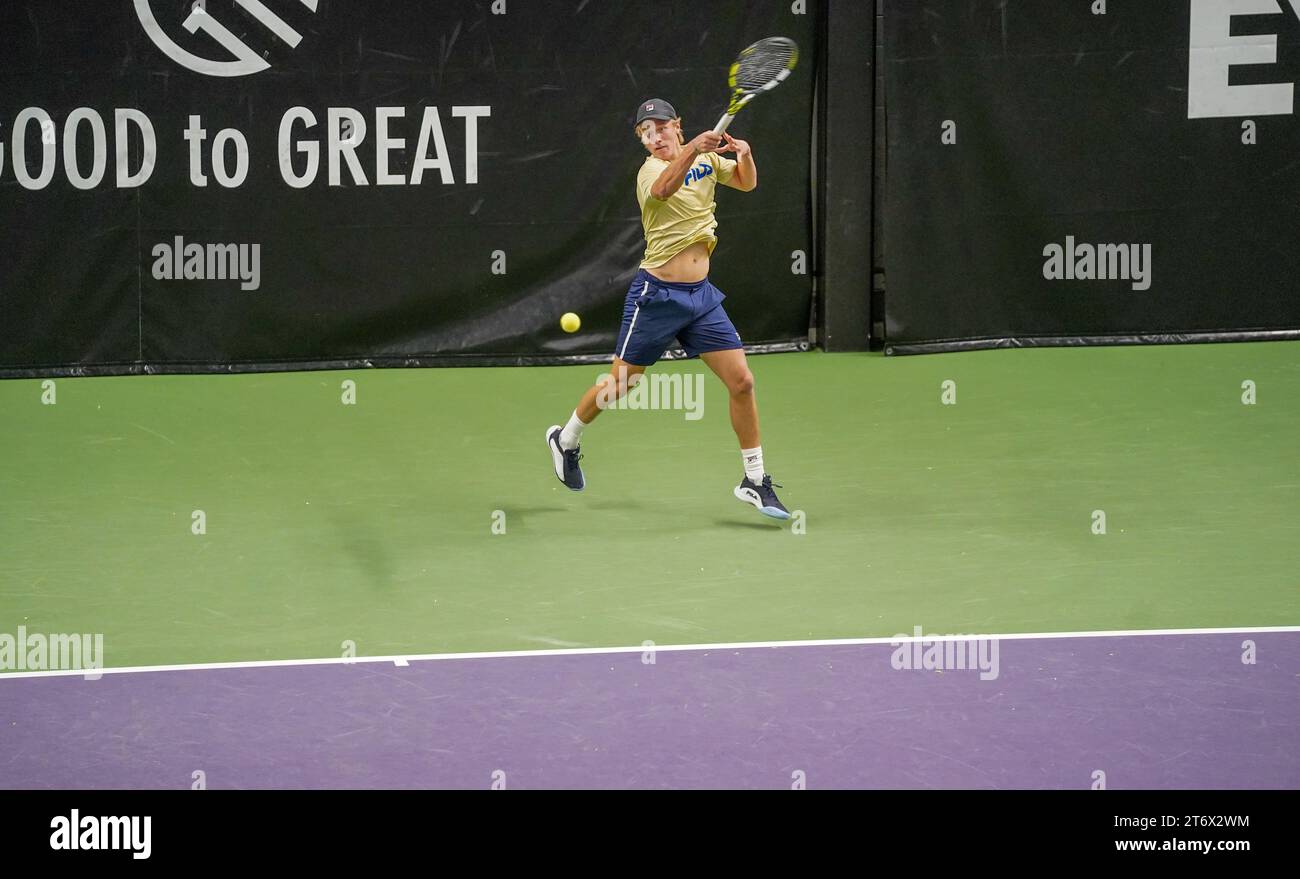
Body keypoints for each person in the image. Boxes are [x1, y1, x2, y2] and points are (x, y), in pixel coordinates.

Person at [545, 98, 789, 520]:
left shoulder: (707, 160)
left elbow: (747, 184)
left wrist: (745, 156)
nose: (656, 137)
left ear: (677, 126)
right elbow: (664, 190)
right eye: (646, 132)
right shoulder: (651, 172)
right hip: (657, 296)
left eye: (662, 127)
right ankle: (565, 440)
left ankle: (754, 480)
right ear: (643, 141)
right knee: (621, 383)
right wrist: (694, 148)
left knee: (743, 382)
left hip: (701, 297)